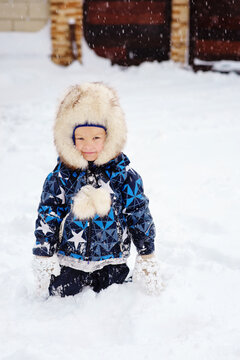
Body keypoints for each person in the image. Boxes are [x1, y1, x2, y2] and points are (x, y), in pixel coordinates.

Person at [32, 82, 162, 298]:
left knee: (115, 299)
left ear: (109, 137)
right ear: (70, 138)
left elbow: (139, 213)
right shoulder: (61, 177)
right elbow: (49, 213)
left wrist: (146, 251)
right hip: (70, 260)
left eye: (96, 138)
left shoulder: (124, 176)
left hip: (113, 260)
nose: (88, 145)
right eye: (80, 138)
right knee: (60, 299)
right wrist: (44, 252)